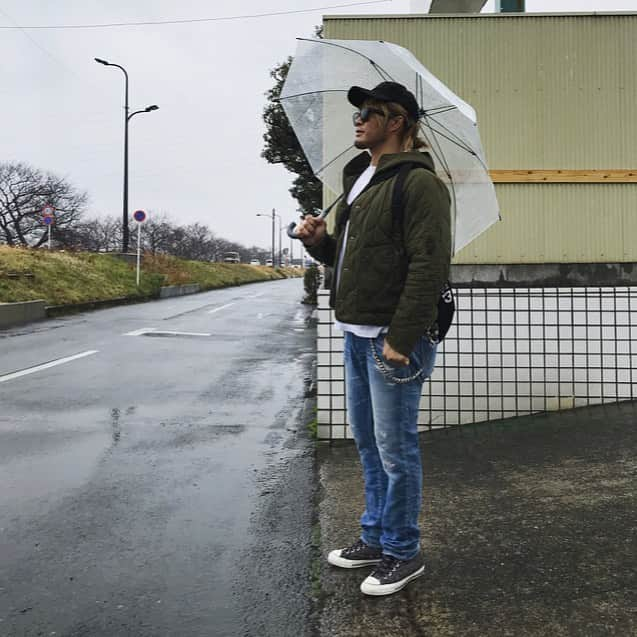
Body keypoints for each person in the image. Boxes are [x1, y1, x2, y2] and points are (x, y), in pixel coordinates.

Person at [296, 81, 452, 596]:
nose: (358, 120)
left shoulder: (419, 184)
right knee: (368, 442)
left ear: (398, 121)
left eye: (370, 112)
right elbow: (354, 259)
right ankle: (375, 536)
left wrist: (402, 338)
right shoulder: (363, 180)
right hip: (357, 332)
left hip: (391, 338)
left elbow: (429, 265)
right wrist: (322, 245)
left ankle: (403, 552)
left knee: (395, 448)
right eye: (359, 112)